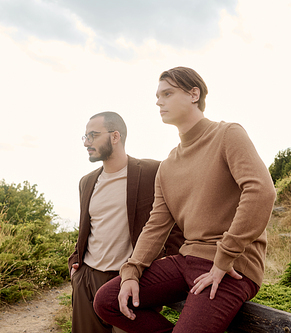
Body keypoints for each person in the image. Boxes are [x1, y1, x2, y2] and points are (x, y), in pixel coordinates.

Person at [92, 67, 276, 333]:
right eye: (157, 96)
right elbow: (156, 225)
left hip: (232, 266)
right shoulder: (168, 165)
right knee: (107, 301)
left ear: (194, 94)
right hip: (186, 259)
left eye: (167, 93)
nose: (158, 101)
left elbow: (261, 191)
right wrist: (132, 271)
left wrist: (224, 257)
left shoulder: (227, 134)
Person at [68, 111, 184, 333]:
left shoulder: (153, 171)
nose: (86, 143)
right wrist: (76, 263)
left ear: (115, 136)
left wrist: (168, 264)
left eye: (92, 135)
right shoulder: (87, 182)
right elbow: (87, 230)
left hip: (128, 280)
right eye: (84, 137)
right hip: (87, 280)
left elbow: (177, 222)